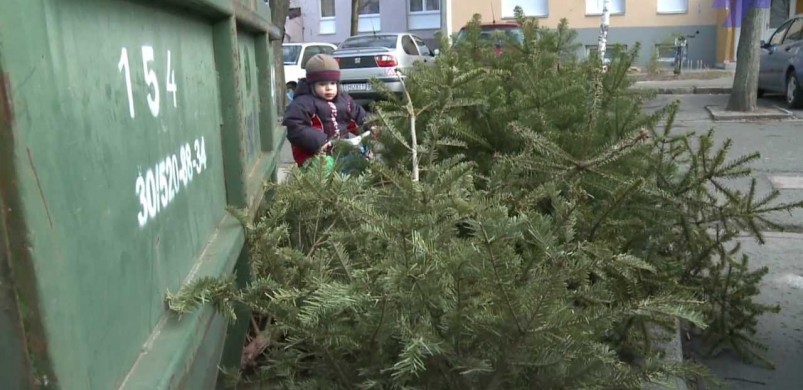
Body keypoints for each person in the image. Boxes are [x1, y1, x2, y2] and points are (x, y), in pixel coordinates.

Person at [282, 54, 373, 168]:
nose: (329, 88)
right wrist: (320, 141)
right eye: (322, 84)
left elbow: (357, 115)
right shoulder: (303, 103)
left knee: (363, 161)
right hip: (314, 156)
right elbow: (295, 127)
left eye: (332, 83)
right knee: (327, 165)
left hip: (341, 151)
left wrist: (370, 125)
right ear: (312, 85)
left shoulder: (344, 100)